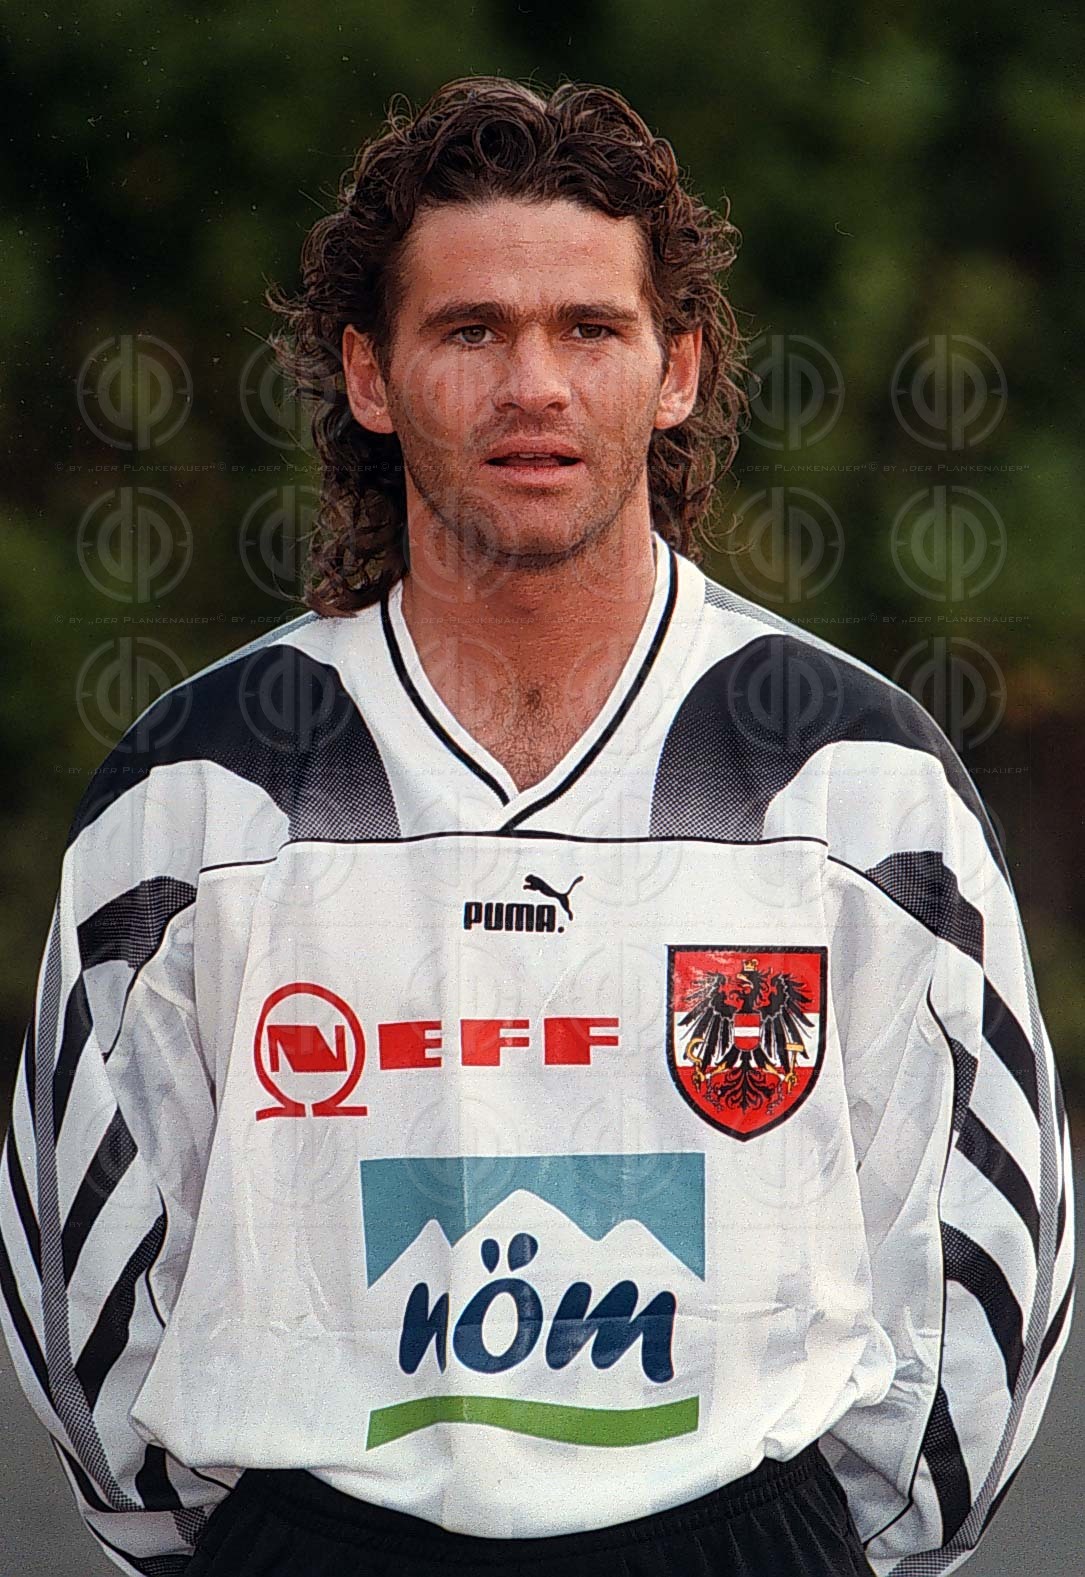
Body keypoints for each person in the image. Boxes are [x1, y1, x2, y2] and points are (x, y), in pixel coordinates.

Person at [0, 74, 1073, 1577]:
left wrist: (820, 1554)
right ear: (369, 375)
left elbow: (978, 1283)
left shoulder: (852, 786)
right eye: (469, 331)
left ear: (676, 368)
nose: (534, 385)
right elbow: (84, 1294)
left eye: (589, 329)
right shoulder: (201, 794)